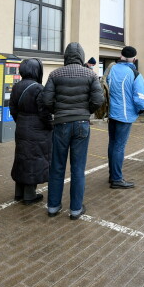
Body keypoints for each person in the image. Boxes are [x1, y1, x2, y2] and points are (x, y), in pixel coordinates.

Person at [43, 42, 104, 220]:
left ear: (65, 56)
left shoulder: (55, 74)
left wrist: (58, 112)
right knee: (78, 168)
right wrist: (86, 112)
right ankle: (75, 209)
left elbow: (46, 100)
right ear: (82, 57)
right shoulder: (90, 74)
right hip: (81, 124)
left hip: (61, 124)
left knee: (57, 167)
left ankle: (53, 206)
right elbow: (98, 100)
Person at [9, 58, 53, 205]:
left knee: (22, 158)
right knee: (34, 160)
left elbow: (13, 109)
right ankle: (29, 195)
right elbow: (44, 112)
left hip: (21, 126)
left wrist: (21, 122)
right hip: (37, 130)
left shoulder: (16, 87)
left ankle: (19, 192)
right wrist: (50, 125)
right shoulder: (38, 88)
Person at [106, 45, 144, 189]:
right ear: (134, 59)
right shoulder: (135, 73)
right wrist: (140, 110)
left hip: (112, 113)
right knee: (119, 147)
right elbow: (141, 98)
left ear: (121, 55)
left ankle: (112, 175)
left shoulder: (112, 69)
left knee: (112, 144)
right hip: (125, 116)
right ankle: (117, 179)